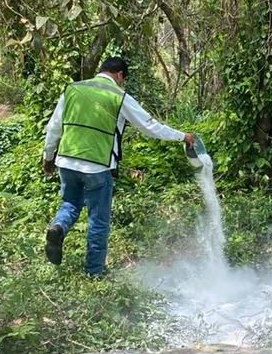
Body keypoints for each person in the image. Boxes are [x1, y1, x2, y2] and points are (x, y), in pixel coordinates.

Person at [42, 57, 193, 275]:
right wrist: (182, 136)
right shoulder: (119, 96)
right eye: (123, 80)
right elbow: (150, 126)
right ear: (120, 75)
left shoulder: (72, 89)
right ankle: (94, 273)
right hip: (98, 167)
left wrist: (48, 158)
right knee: (98, 222)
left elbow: (54, 127)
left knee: (71, 203)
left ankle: (58, 227)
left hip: (66, 162)